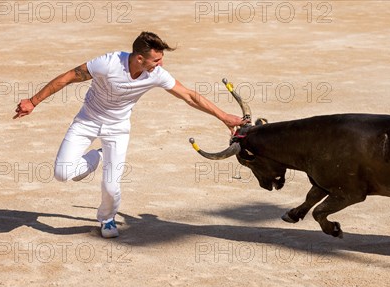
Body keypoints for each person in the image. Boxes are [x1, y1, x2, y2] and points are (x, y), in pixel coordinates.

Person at [13, 31, 248, 238]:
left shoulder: (156, 74)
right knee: (62, 173)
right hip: (87, 121)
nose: (160, 64)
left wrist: (223, 116)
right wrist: (33, 102)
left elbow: (189, 96)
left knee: (111, 187)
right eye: (156, 60)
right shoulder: (108, 63)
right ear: (139, 58)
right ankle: (98, 157)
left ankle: (106, 218)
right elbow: (67, 77)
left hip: (118, 129)